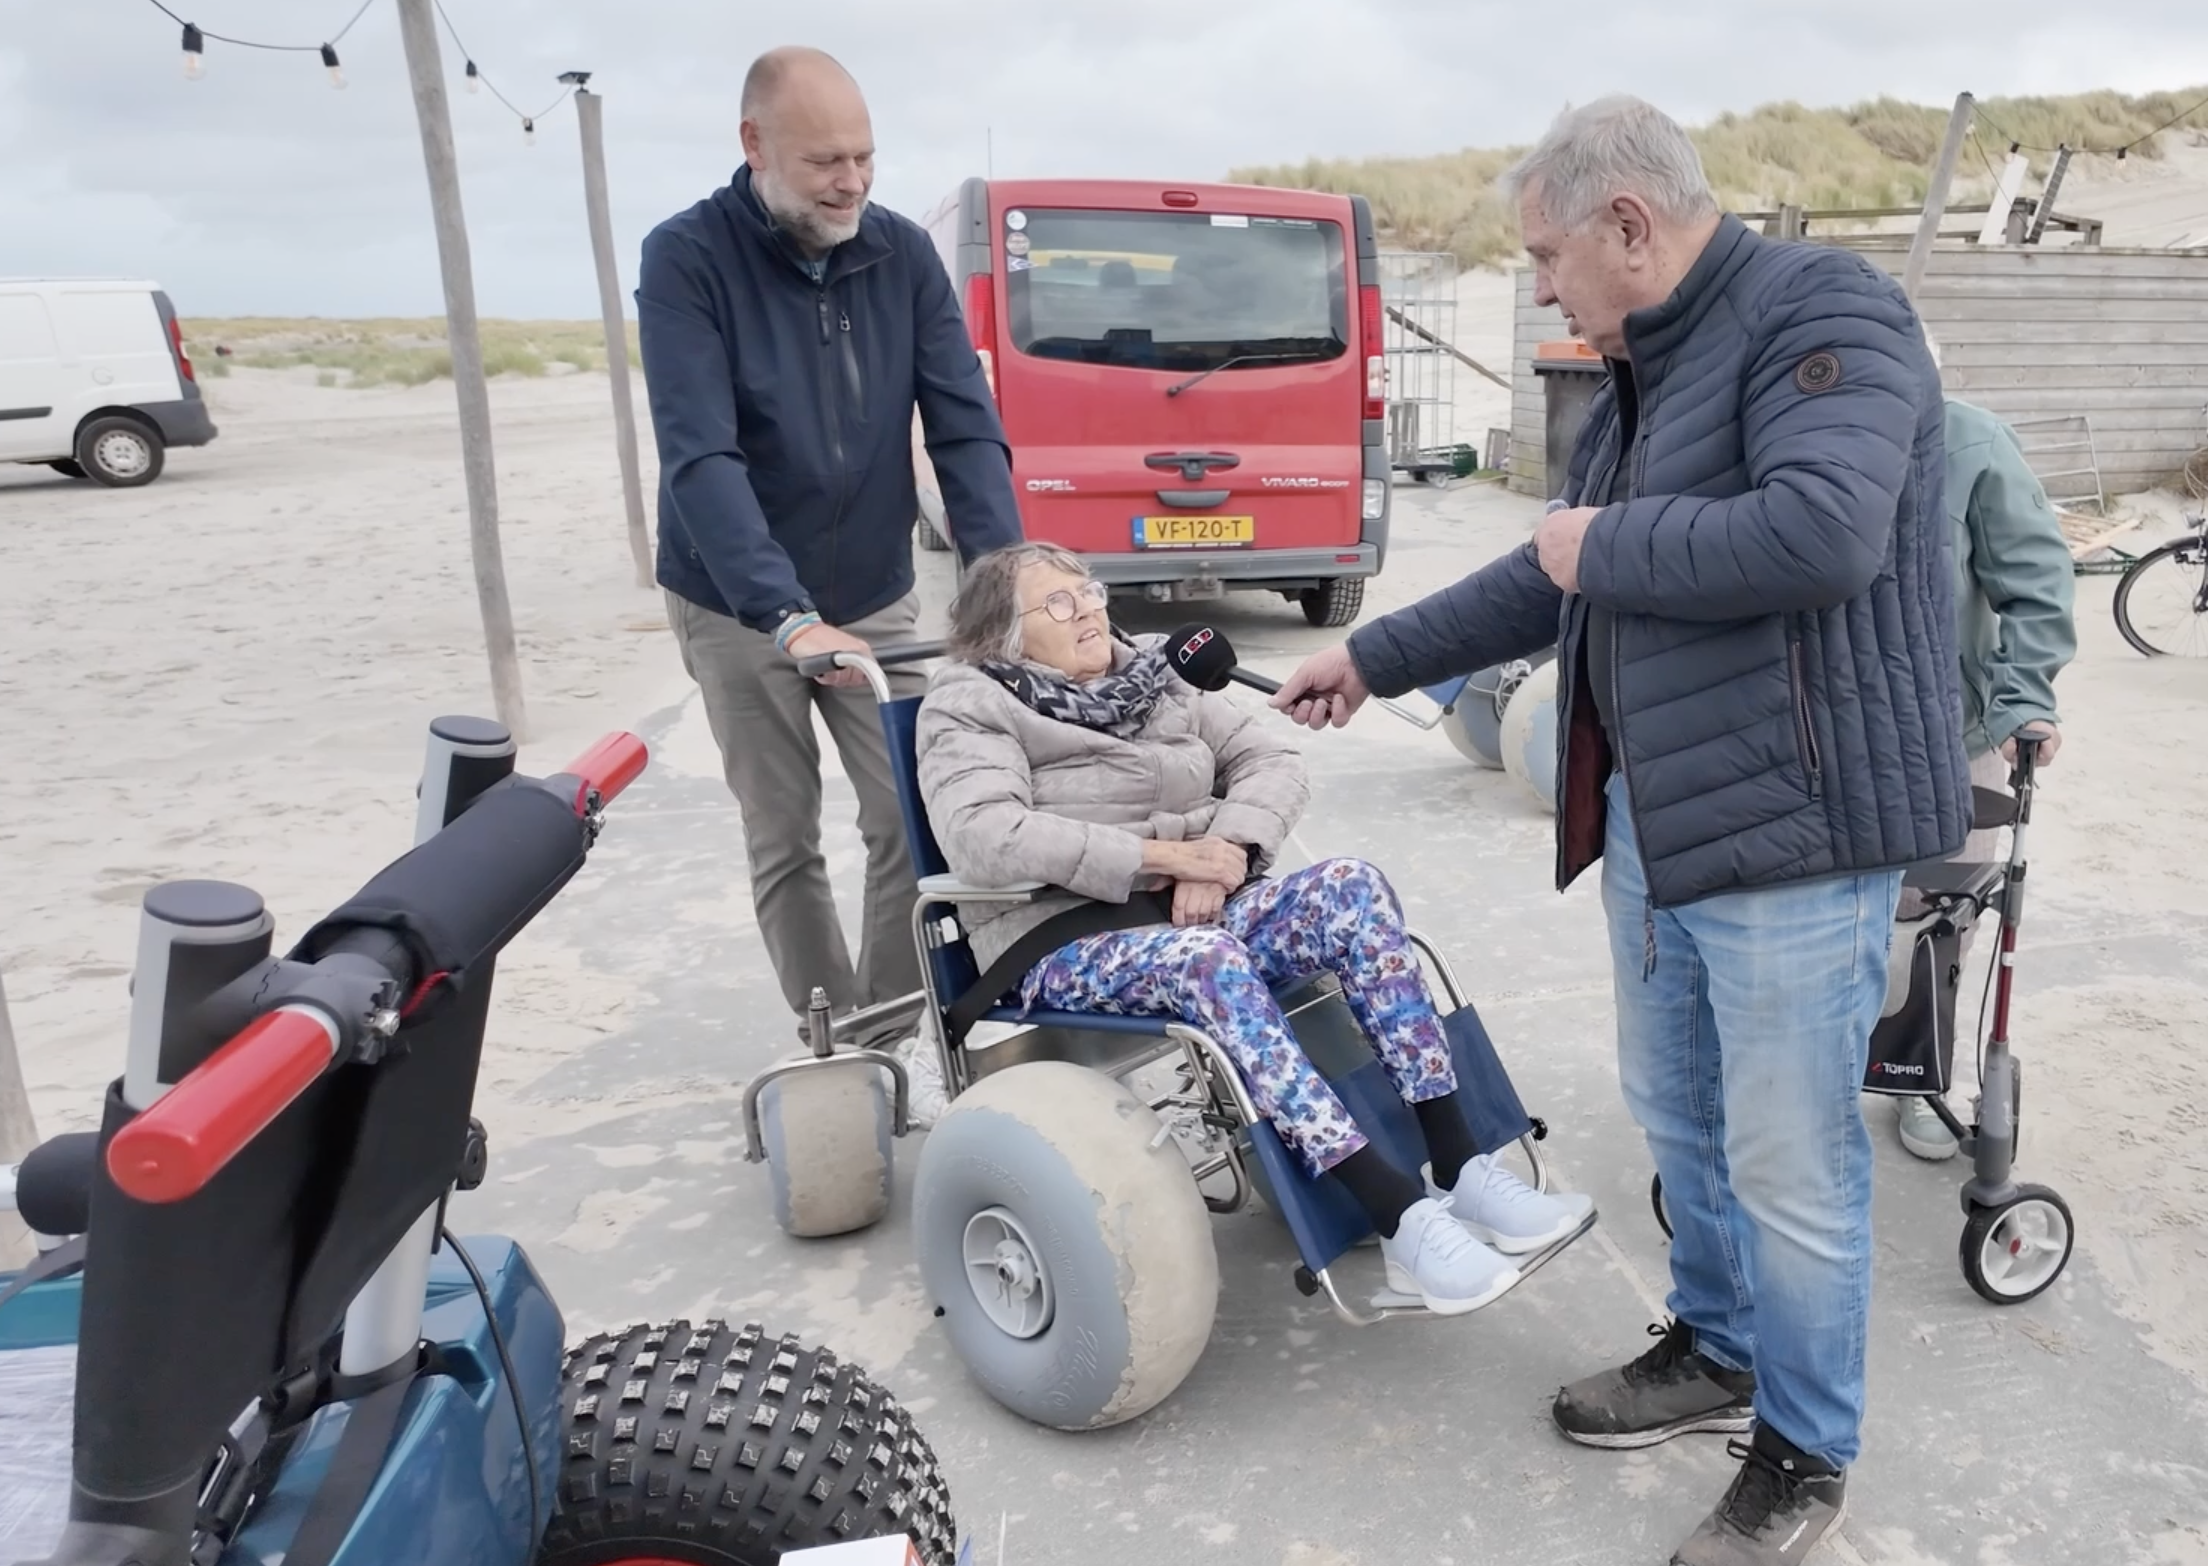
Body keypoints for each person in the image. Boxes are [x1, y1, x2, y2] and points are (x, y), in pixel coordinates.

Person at [1272, 96, 1969, 1565]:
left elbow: (1825, 530)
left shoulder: (1826, 312)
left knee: (1791, 1162)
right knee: (1681, 1119)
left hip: (1796, 826)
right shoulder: (1647, 365)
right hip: (1663, 819)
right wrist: (1375, 654)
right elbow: (1550, 576)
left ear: (1629, 225)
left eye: (1545, 255)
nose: (1541, 285)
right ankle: (1715, 1347)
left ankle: (1804, 1445)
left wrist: (1603, 543)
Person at [914, 542, 1595, 1314]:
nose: (1093, 611)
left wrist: (1230, 850)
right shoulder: (969, 703)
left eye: (1092, 591)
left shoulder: (1151, 670)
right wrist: (1167, 858)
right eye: (1060, 604)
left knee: (1352, 889)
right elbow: (985, 834)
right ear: (1003, 632)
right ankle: (1395, 1215)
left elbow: (1270, 756)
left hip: (1202, 897)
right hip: (1061, 933)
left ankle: (1459, 1163)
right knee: (1208, 962)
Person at [635, 47, 1022, 1044]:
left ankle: (884, 1034)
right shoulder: (686, 258)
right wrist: (784, 613)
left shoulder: (900, 254)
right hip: (735, 601)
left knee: (909, 814)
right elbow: (701, 455)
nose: (851, 181)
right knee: (784, 835)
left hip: (876, 591)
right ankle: (830, 1035)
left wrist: (1003, 576)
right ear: (754, 145)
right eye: (824, 163)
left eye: (865, 158)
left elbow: (964, 425)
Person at [1892, 335, 2075, 1161]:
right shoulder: (1796, 439)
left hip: (1947, 736)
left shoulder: (1972, 444)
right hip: (1820, 741)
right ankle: (1821, 1075)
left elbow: (2035, 580)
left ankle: (1923, 1074)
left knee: (1942, 916)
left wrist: (2022, 699)